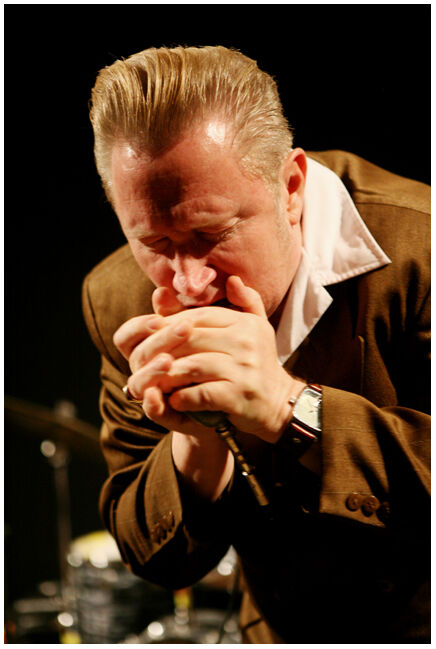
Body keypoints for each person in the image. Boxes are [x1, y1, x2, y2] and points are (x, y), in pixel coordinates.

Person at [82, 45, 430, 643]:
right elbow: (157, 560)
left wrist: (288, 407)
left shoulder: (424, 249)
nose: (189, 284)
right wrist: (195, 442)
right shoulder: (116, 296)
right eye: (155, 244)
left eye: (210, 233)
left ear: (290, 186)